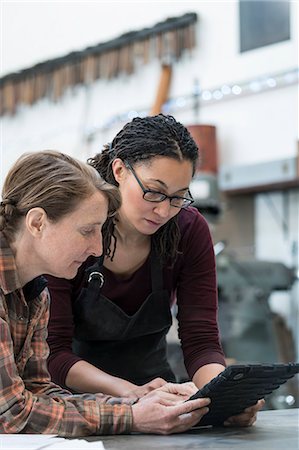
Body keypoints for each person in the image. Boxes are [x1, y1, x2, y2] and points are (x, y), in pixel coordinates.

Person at [46, 115, 263, 426]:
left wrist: (224, 394)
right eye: (153, 192)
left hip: (159, 404)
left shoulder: (188, 230)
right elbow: (53, 354)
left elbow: (201, 339)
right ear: (119, 170)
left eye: (177, 197)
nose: (164, 210)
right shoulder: (73, 228)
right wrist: (132, 395)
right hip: (77, 411)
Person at [0, 149, 211, 435]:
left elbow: (38, 392)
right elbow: (11, 413)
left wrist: (136, 404)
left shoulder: (35, 293)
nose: (97, 249)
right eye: (87, 231)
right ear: (37, 223)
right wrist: (131, 416)